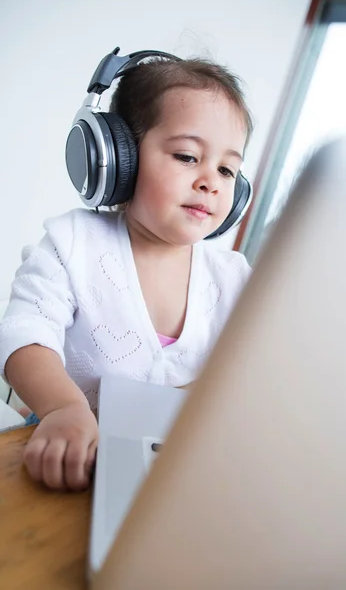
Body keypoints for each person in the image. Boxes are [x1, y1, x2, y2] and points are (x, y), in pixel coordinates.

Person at [0, 55, 253, 492]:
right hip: (75, 449)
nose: (211, 181)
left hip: (175, 470)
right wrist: (63, 409)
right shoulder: (73, 242)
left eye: (227, 169)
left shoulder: (233, 276)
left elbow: (256, 368)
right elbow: (24, 334)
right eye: (188, 156)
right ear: (122, 158)